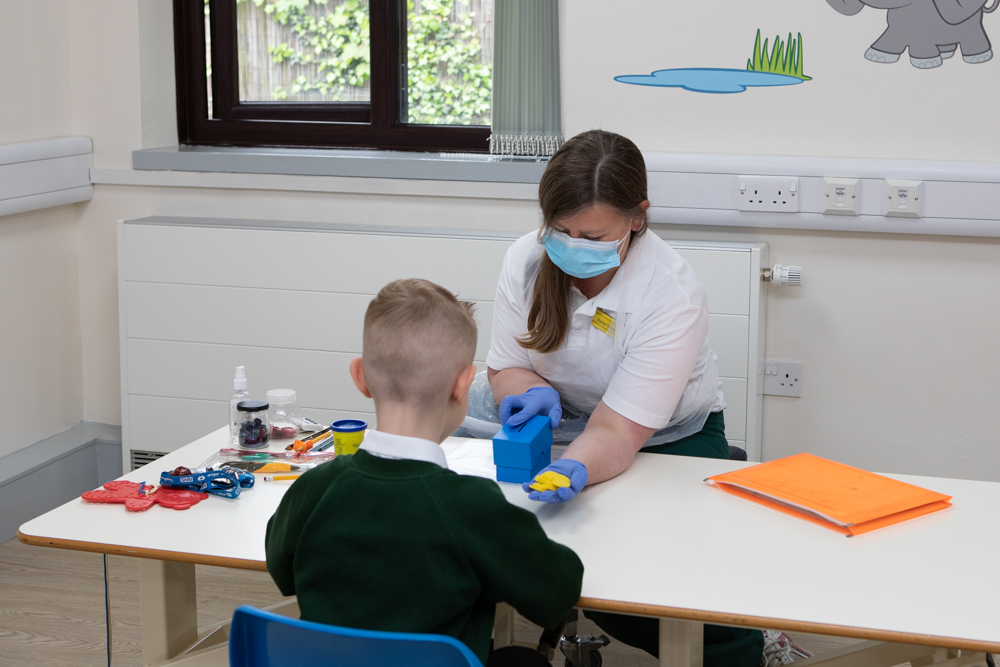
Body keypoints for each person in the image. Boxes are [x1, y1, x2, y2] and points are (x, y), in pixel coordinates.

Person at [485, 130, 768, 666]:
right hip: (564, 422)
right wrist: (531, 391)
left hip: (666, 434)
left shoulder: (671, 292)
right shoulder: (525, 259)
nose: (570, 247)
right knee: (490, 544)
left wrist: (573, 468)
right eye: (559, 230)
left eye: (591, 236)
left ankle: (747, 648)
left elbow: (617, 432)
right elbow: (505, 364)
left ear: (637, 217)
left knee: (634, 581)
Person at [265, 278, 584, 666]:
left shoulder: (314, 488)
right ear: (463, 385)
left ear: (360, 376)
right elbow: (559, 590)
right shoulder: (472, 506)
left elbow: (282, 572)